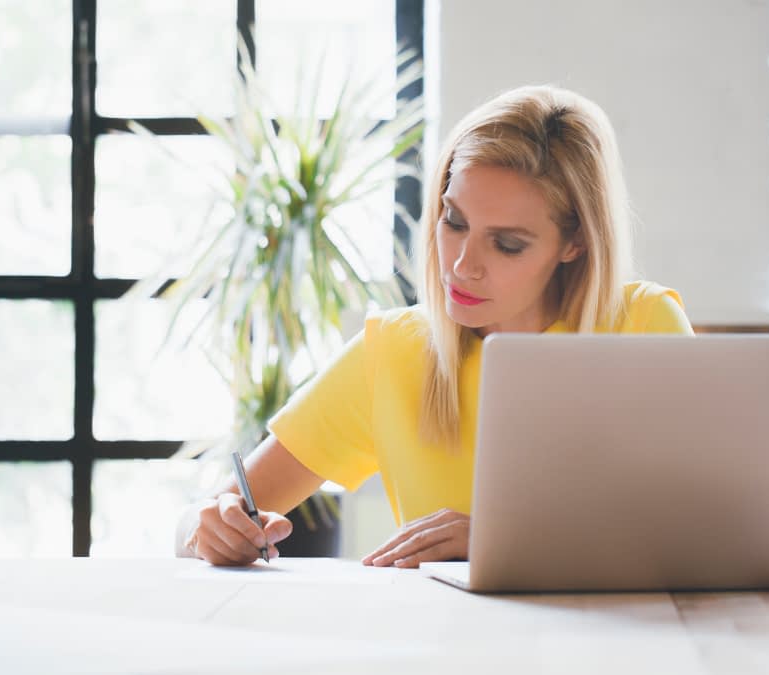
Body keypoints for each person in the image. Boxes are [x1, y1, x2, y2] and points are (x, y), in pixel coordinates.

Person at [176, 84, 694, 568]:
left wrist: (504, 538)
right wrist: (210, 530)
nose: (463, 264)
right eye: (454, 220)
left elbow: (700, 532)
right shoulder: (396, 351)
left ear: (574, 242)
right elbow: (214, 513)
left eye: (508, 244)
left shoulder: (643, 326)